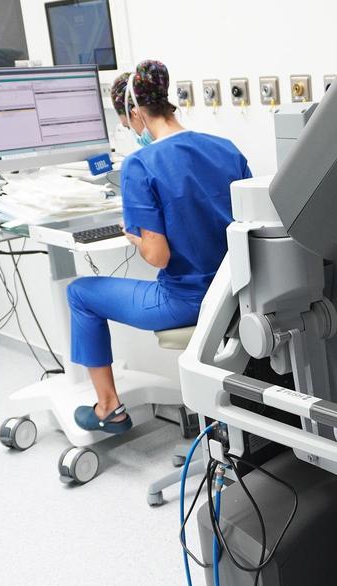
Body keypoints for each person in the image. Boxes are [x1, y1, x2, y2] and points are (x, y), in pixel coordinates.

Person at [68, 61, 251, 434]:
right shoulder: (225, 149)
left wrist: (135, 234)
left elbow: (158, 255)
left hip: (184, 300)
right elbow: (251, 225)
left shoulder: (140, 164)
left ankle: (108, 408)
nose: (129, 131)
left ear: (136, 113)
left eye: (126, 123)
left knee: (80, 293)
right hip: (238, 293)